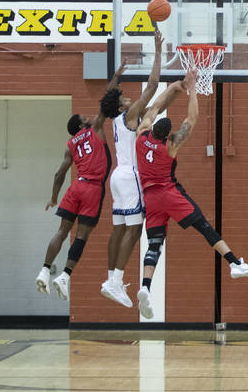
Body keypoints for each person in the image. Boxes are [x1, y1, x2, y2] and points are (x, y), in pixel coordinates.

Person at [134, 72, 248, 319]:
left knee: (154, 244)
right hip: (169, 193)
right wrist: (191, 89)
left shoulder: (141, 133)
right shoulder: (171, 146)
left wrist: (172, 88)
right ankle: (235, 263)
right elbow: (192, 118)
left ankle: (145, 288)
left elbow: (156, 106)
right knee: (203, 226)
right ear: (169, 135)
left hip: (150, 198)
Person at [35, 71, 121, 300]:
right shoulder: (95, 129)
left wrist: (54, 198)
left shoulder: (70, 145)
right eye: (84, 117)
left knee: (62, 231)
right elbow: (107, 100)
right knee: (81, 236)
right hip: (92, 189)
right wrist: (117, 77)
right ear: (82, 124)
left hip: (76, 187)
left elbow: (59, 174)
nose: (88, 118)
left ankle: (44, 270)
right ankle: (64, 275)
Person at [98, 31, 168, 308]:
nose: (129, 99)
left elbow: (108, 97)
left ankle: (110, 279)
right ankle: (116, 280)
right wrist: (159, 51)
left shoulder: (115, 117)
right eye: (124, 98)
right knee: (135, 230)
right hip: (130, 176)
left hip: (118, 176)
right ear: (121, 106)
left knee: (117, 230)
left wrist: (115, 79)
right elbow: (151, 85)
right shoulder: (127, 115)